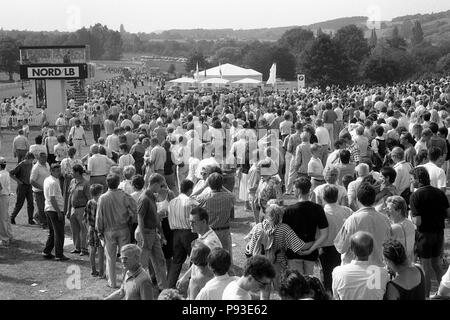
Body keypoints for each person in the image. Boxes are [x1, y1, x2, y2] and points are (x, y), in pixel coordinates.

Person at [410, 166, 450, 297]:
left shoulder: (416, 195)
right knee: (437, 266)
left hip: (424, 235)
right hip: (439, 234)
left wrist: (411, 219)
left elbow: (418, 222)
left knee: (425, 268)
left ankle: (426, 296)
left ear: (418, 179)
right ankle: (445, 292)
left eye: (412, 179)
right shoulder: (439, 193)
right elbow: (448, 214)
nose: (411, 182)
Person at [334, 183, 392, 267]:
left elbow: (341, 247)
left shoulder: (352, 220)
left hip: (354, 269)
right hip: (377, 269)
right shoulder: (385, 219)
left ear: (357, 199)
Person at [96, 173, 137, 288]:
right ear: (118, 183)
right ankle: (125, 281)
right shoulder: (123, 195)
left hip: (109, 230)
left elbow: (99, 216)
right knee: (125, 256)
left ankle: (112, 282)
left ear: (107, 183)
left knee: (110, 257)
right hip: (123, 228)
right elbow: (134, 207)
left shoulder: (103, 198)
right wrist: (130, 216)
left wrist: (99, 230)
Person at [282, 177, 329, 276]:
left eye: (294, 189)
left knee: (296, 283)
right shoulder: (318, 209)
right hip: (311, 250)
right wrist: (311, 249)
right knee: (308, 282)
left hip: (294, 253)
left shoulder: (289, 210)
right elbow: (324, 234)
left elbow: (284, 235)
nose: (293, 191)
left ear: (298, 190)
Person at [332, 231, 389, 300]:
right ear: (371, 250)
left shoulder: (338, 272)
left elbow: (335, 296)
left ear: (351, 249)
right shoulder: (382, 273)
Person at [136, 173, 168, 292]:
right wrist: (144, 238)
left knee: (160, 260)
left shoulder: (151, 196)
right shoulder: (144, 198)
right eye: (161, 185)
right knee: (142, 263)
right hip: (146, 233)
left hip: (153, 233)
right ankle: (136, 288)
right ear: (154, 184)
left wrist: (161, 233)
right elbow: (140, 218)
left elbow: (155, 216)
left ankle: (163, 288)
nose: (162, 188)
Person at [194, 172, 235, 261]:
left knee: (208, 258)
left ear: (209, 184)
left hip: (209, 232)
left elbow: (190, 198)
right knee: (225, 258)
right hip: (224, 231)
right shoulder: (229, 197)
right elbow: (232, 195)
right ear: (222, 184)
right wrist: (221, 186)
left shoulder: (204, 197)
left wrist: (203, 187)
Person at [320, 185, 353, 292]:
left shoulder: (321, 213)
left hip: (326, 249)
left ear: (323, 197)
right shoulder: (347, 211)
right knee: (342, 277)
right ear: (337, 196)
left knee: (327, 278)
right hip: (344, 248)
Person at [167, 179, 199, 288]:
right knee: (195, 260)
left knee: (176, 261)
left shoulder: (171, 202)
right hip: (189, 233)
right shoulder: (191, 202)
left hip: (176, 234)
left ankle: (170, 286)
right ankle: (191, 285)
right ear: (190, 190)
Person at [42, 164, 69, 261]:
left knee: (53, 233)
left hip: (49, 209)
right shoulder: (53, 182)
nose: (59, 172)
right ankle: (59, 254)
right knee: (59, 233)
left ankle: (47, 251)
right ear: (52, 171)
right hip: (54, 210)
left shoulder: (47, 179)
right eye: (57, 171)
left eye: (59, 170)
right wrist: (58, 212)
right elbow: (52, 198)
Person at [67, 164, 90, 256]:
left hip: (82, 209)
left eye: (72, 171)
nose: (71, 173)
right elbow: (70, 196)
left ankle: (84, 248)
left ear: (77, 172)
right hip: (73, 208)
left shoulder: (86, 183)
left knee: (83, 229)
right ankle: (77, 247)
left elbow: (89, 198)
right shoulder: (72, 181)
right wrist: (68, 210)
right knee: (74, 229)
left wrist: (87, 211)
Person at [385, 196, 416, 264]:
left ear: (399, 211)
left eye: (389, 209)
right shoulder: (409, 223)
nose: (386, 211)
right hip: (409, 263)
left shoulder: (395, 227)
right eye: (386, 208)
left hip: (398, 266)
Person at [83, 184, 105, 277]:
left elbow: (85, 218)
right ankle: (101, 272)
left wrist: (87, 229)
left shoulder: (89, 202)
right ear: (100, 193)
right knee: (100, 251)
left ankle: (93, 270)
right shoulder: (101, 203)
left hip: (91, 229)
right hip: (99, 230)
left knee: (92, 250)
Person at [9, 152, 35, 225]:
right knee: (19, 204)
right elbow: (11, 173)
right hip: (22, 187)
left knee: (31, 204)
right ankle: (12, 218)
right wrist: (19, 181)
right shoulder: (21, 165)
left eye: (32, 160)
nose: (31, 161)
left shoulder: (31, 164)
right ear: (26, 158)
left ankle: (30, 220)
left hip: (29, 186)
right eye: (31, 160)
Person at [30, 152, 50, 227]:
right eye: (43, 157)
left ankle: (37, 217)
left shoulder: (47, 164)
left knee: (46, 206)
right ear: (39, 158)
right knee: (41, 207)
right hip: (38, 191)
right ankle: (43, 223)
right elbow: (32, 181)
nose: (45, 159)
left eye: (46, 157)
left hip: (46, 189)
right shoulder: (36, 168)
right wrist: (41, 187)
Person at [0, 157, 13, 246]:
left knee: (2, 219)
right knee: (6, 217)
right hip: (6, 196)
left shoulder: (0, 175)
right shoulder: (6, 173)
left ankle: (5, 239)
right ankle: (9, 235)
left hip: (2, 197)